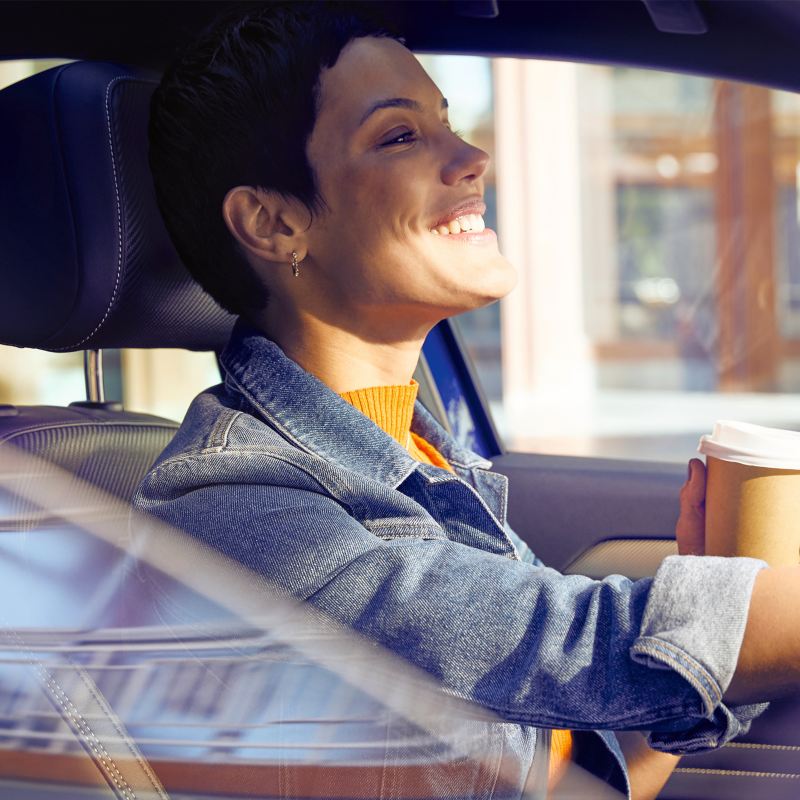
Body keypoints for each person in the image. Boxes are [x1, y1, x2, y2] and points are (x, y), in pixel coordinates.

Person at [137, 2, 800, 797]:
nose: (473, 156)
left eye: (447, 122)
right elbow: (560, 642)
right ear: (273, 221)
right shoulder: (227, 508)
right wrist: (717, 618)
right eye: (400, 136)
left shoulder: (419, 454)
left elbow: (561, 770)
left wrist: (715, 616)